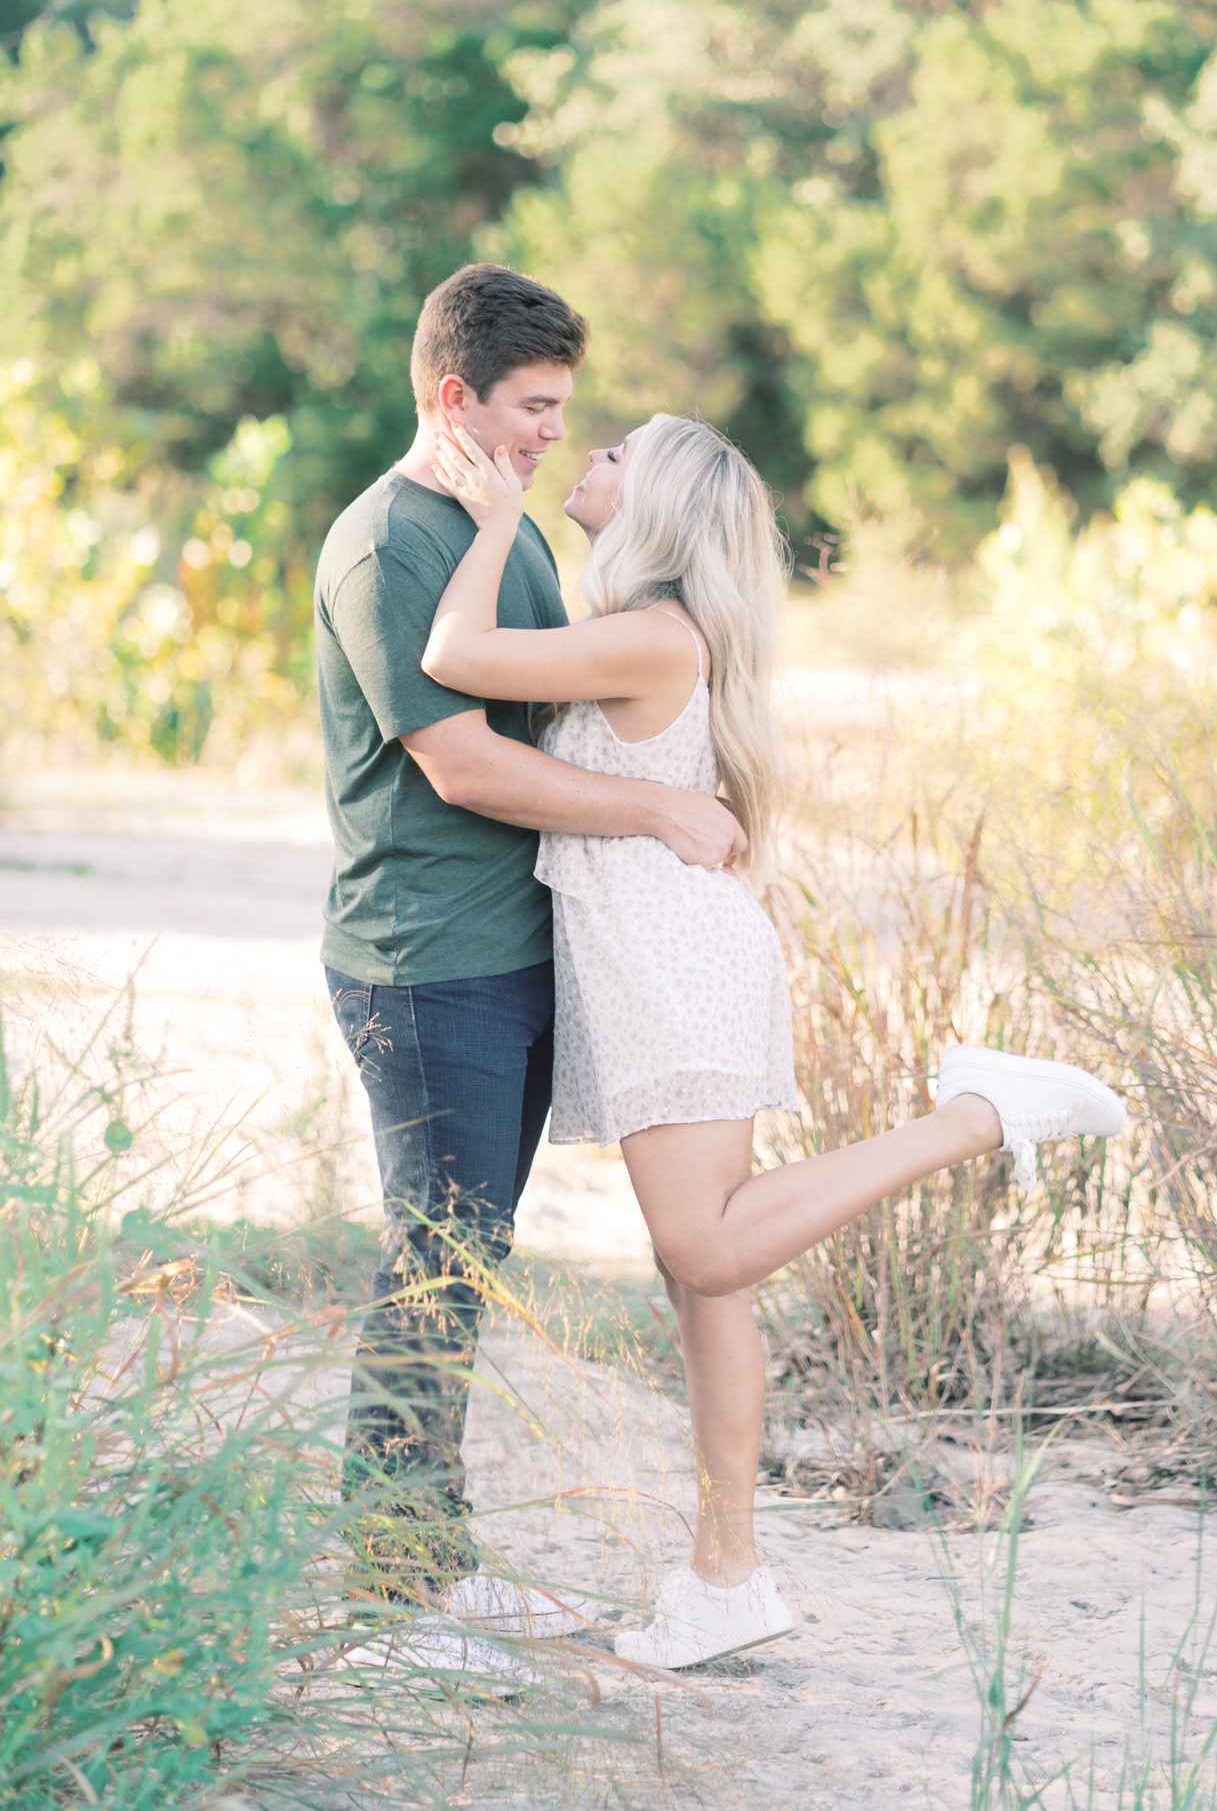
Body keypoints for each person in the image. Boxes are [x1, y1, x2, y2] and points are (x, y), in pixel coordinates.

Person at [420, 408, 1128, 1670]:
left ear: (661, 507)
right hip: (665, 957)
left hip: (670, 966)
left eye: (619, 453)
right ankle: (724, 1577)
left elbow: (456, 653)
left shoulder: (648, 633)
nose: (588, 454)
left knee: (702, 1240)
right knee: (707, 1277)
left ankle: (977, 1114)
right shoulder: (651, 634)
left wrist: (487, 520)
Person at [314, 265, 746, 1624]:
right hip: (428, 954)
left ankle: (425, 1559)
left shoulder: (507, 531)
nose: (556, 431)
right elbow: (466, 769)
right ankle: (393, 1590)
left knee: (468, 1254)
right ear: (457, 398)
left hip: (513, 949)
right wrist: (662, 809)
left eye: (567, 407)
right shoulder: (392, 542)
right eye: (534, 406)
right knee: (435, 1257)